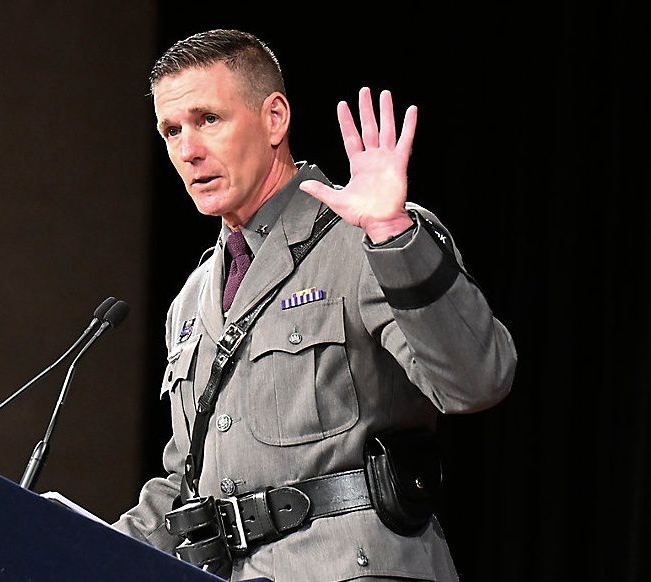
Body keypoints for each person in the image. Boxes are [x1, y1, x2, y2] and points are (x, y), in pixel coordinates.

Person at [112, 29, 516, 582]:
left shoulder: (365, 240)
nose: (188, 150)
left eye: (209, 120)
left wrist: (393, 235)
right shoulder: (189, 303)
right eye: (171, 130)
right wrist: (59, 543)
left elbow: (477, 381)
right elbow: (185, 484)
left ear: (274, 118)